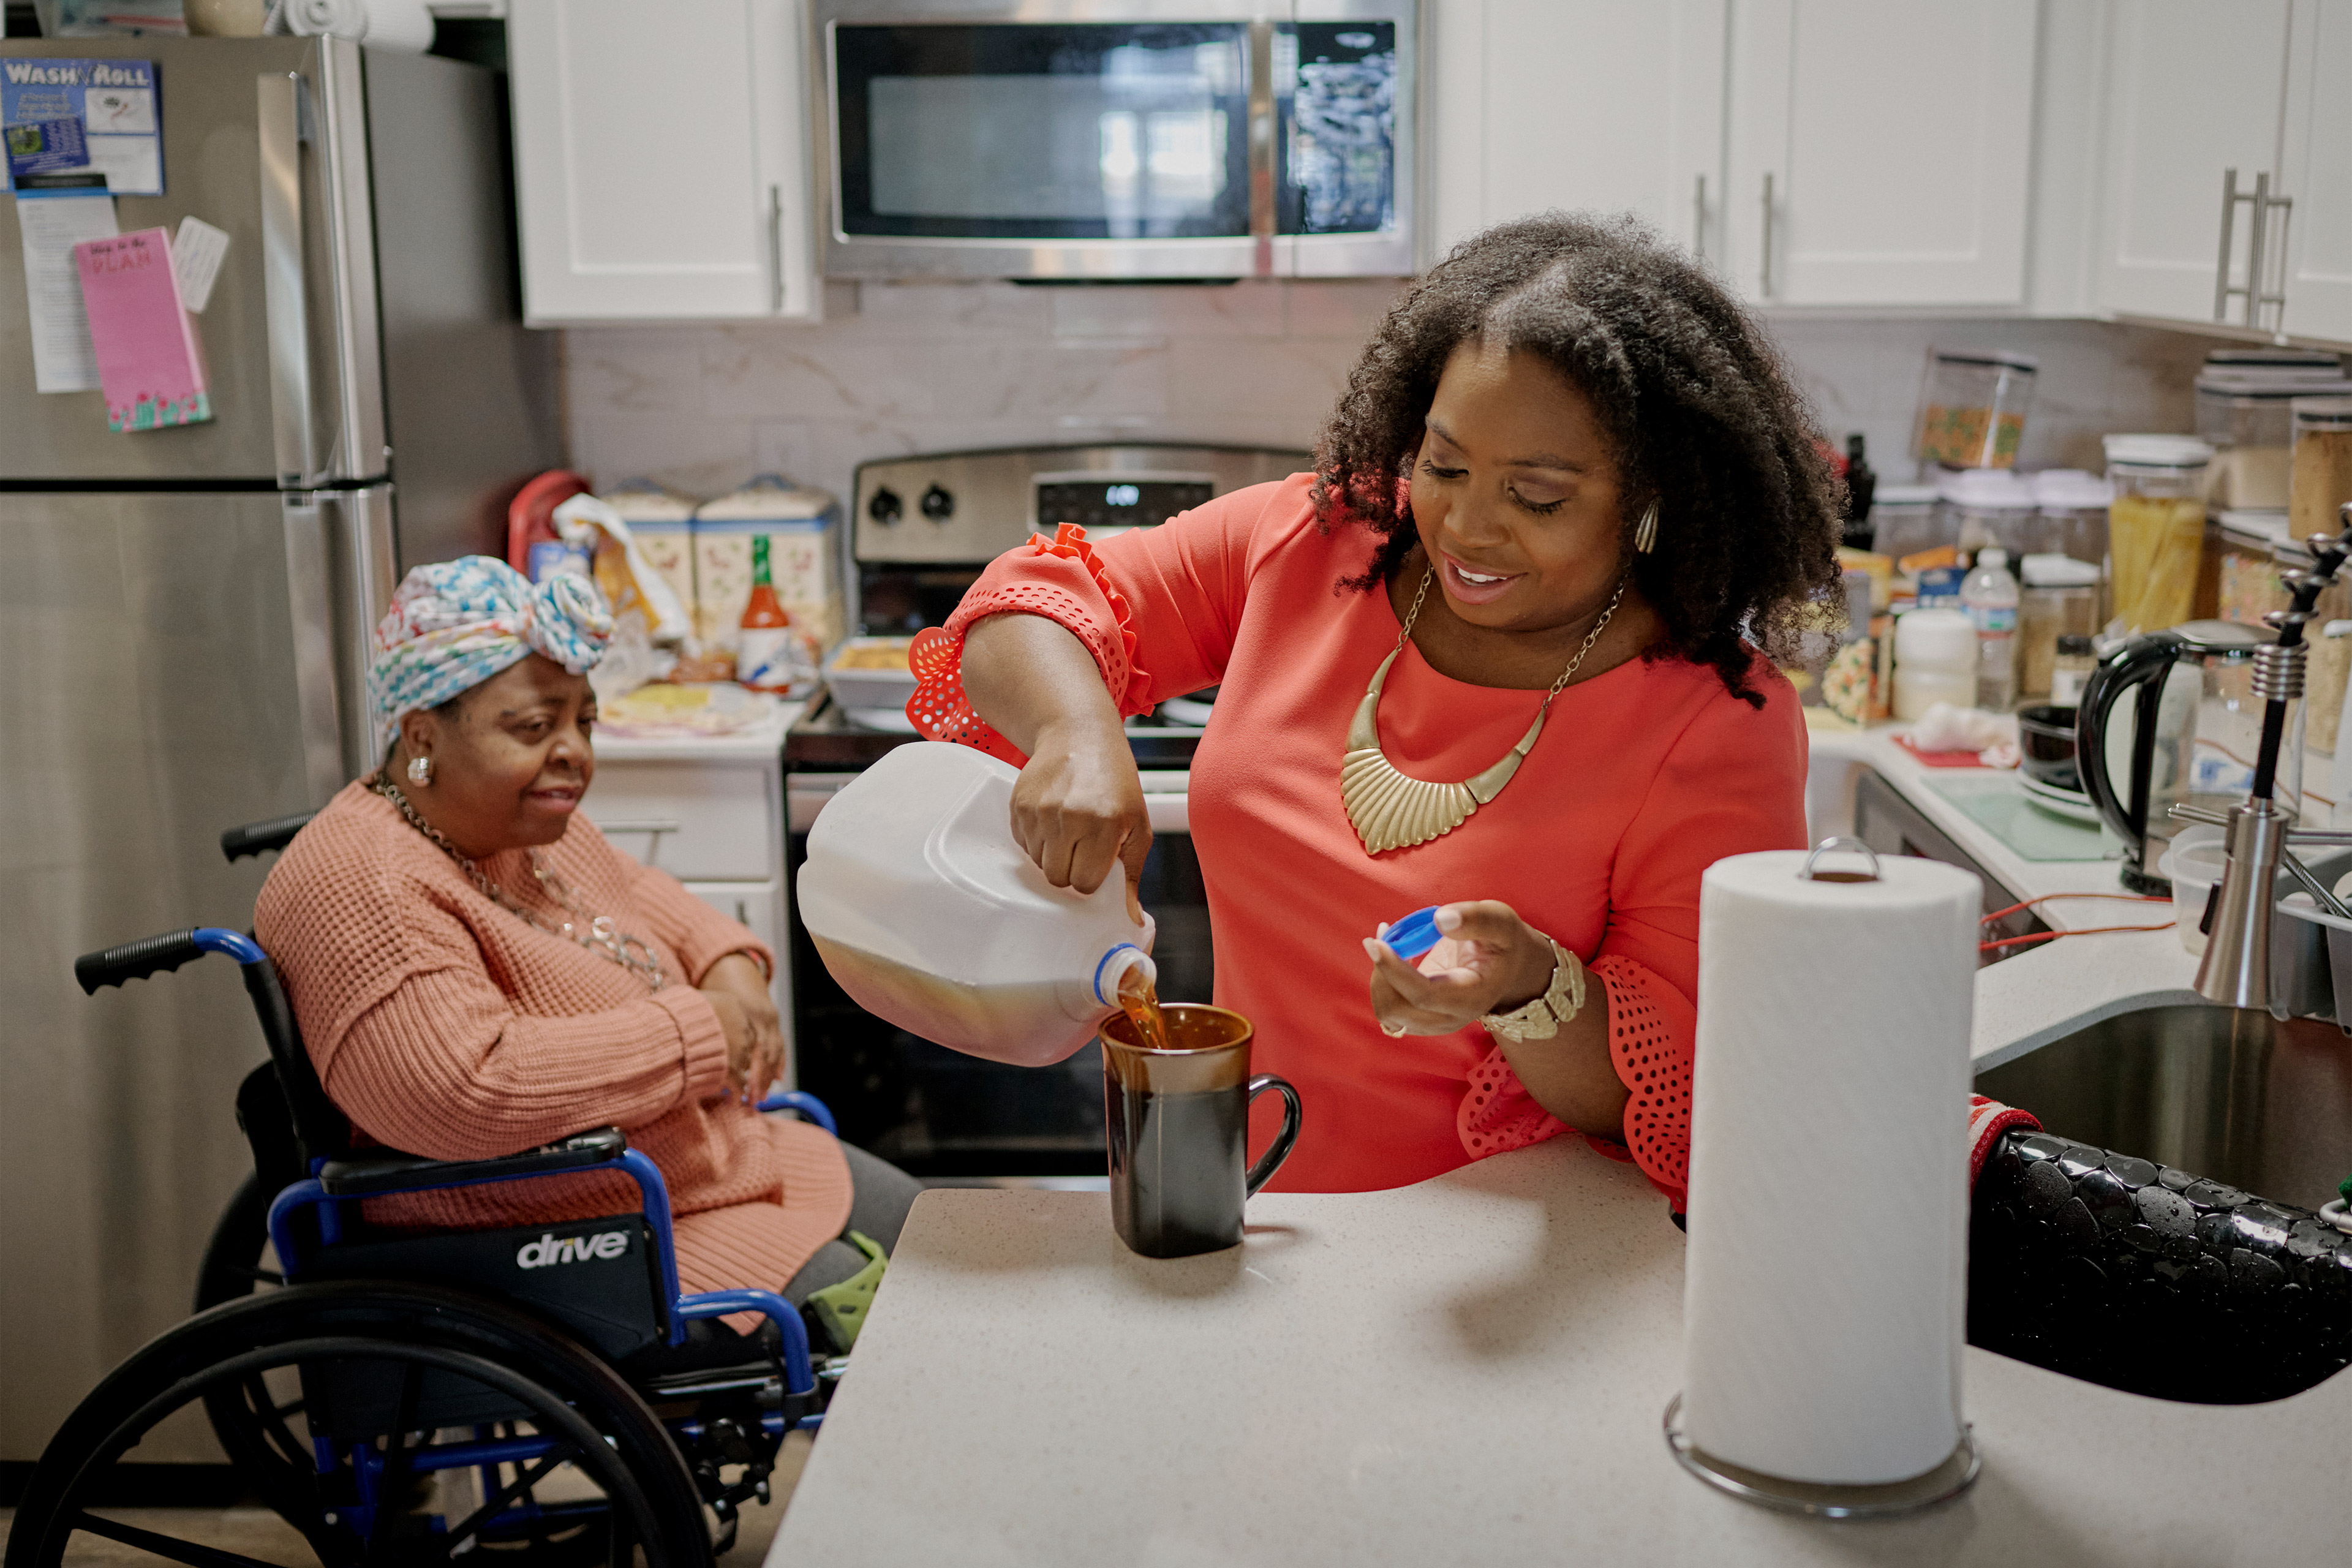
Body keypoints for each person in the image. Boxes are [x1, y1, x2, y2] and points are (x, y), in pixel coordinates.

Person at [913, 214, 1842, 1209]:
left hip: (1500, 1277)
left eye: (1537, 497)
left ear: (1658, 498)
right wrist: (1076, 731)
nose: (1467, 527)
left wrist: (1529, 987)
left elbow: (1671, 1096)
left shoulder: (1715, 723)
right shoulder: (1316, 542)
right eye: (1444, 466)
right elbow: (1026, 601)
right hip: (1249, 1202)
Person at [255, 558, 918, 1348]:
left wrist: (727, 966)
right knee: (903, 1330)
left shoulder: (508, 824)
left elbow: (638, 891)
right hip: (563, 1229)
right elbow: (470, 1087)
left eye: (585, 722)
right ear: (423, 734)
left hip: (692, 1168)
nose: (573, 752)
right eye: (535, 728)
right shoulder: (362, 887)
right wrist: (698, 1031)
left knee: (938, 1232)